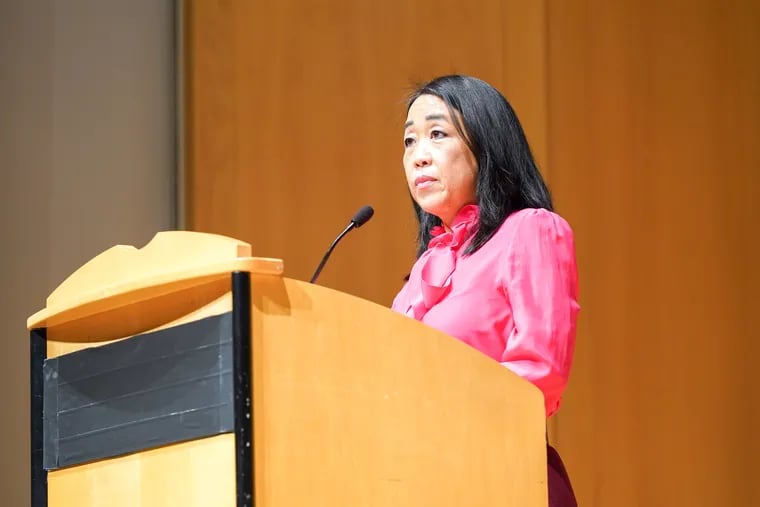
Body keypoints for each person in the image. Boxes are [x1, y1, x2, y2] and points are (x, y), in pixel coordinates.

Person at [391, 74, 580, 507]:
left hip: (504, 478)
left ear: (487, 144)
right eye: (409, 141)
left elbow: (539, 372)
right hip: (424, 482)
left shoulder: (530, 230)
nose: (418, 156)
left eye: (437, 134)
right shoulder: (426, 268)